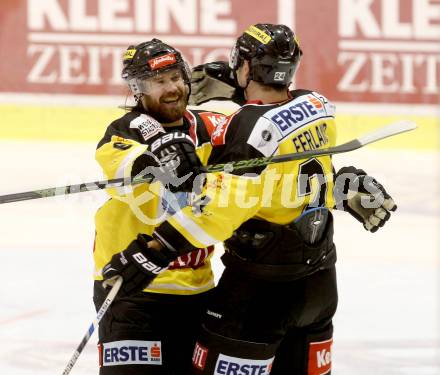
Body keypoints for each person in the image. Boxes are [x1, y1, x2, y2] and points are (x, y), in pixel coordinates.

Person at [121, 24, 395, 374]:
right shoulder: (319, 105)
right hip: (320, 286)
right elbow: (294, 175)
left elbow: (218, 213)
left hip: (260, 293)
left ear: (246, 68)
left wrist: (157, 249)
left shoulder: (247, 129)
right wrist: (339, 186)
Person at [92, 38, 230, 374]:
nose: (170, 89)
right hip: (132, 288)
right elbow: (126, 167)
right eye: (158, 82)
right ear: (138, 89)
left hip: (198, 291)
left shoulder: (209, 127)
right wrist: (157, 162)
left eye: (175, 78)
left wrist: (239, 94)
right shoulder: (123, 131)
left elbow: (260, 130)